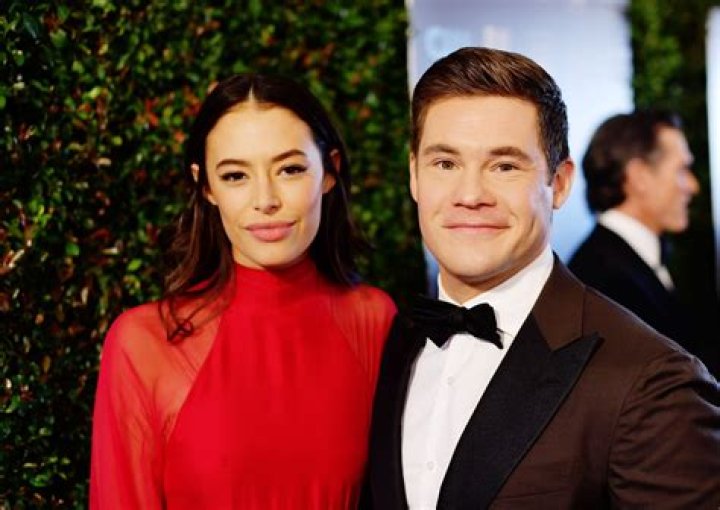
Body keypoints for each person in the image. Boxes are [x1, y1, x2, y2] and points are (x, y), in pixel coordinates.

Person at [363, 47, 720, 509]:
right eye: (445, 164)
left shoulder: (651, 380)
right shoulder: (393, 343)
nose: (470, 194)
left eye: (505, 166)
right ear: (414, 175)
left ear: (560, 183)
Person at [90, 73, 396, 508]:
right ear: (206, 186)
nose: (265, 199)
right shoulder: (143, 342)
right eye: (235, 175)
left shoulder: (373, 318)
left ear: (329, 171)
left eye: (290, 169)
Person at [568, 110, 702, 357]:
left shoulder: (621, 263)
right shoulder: (604, 282)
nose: (693, 186)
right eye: (682, 170)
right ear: (639, 176)